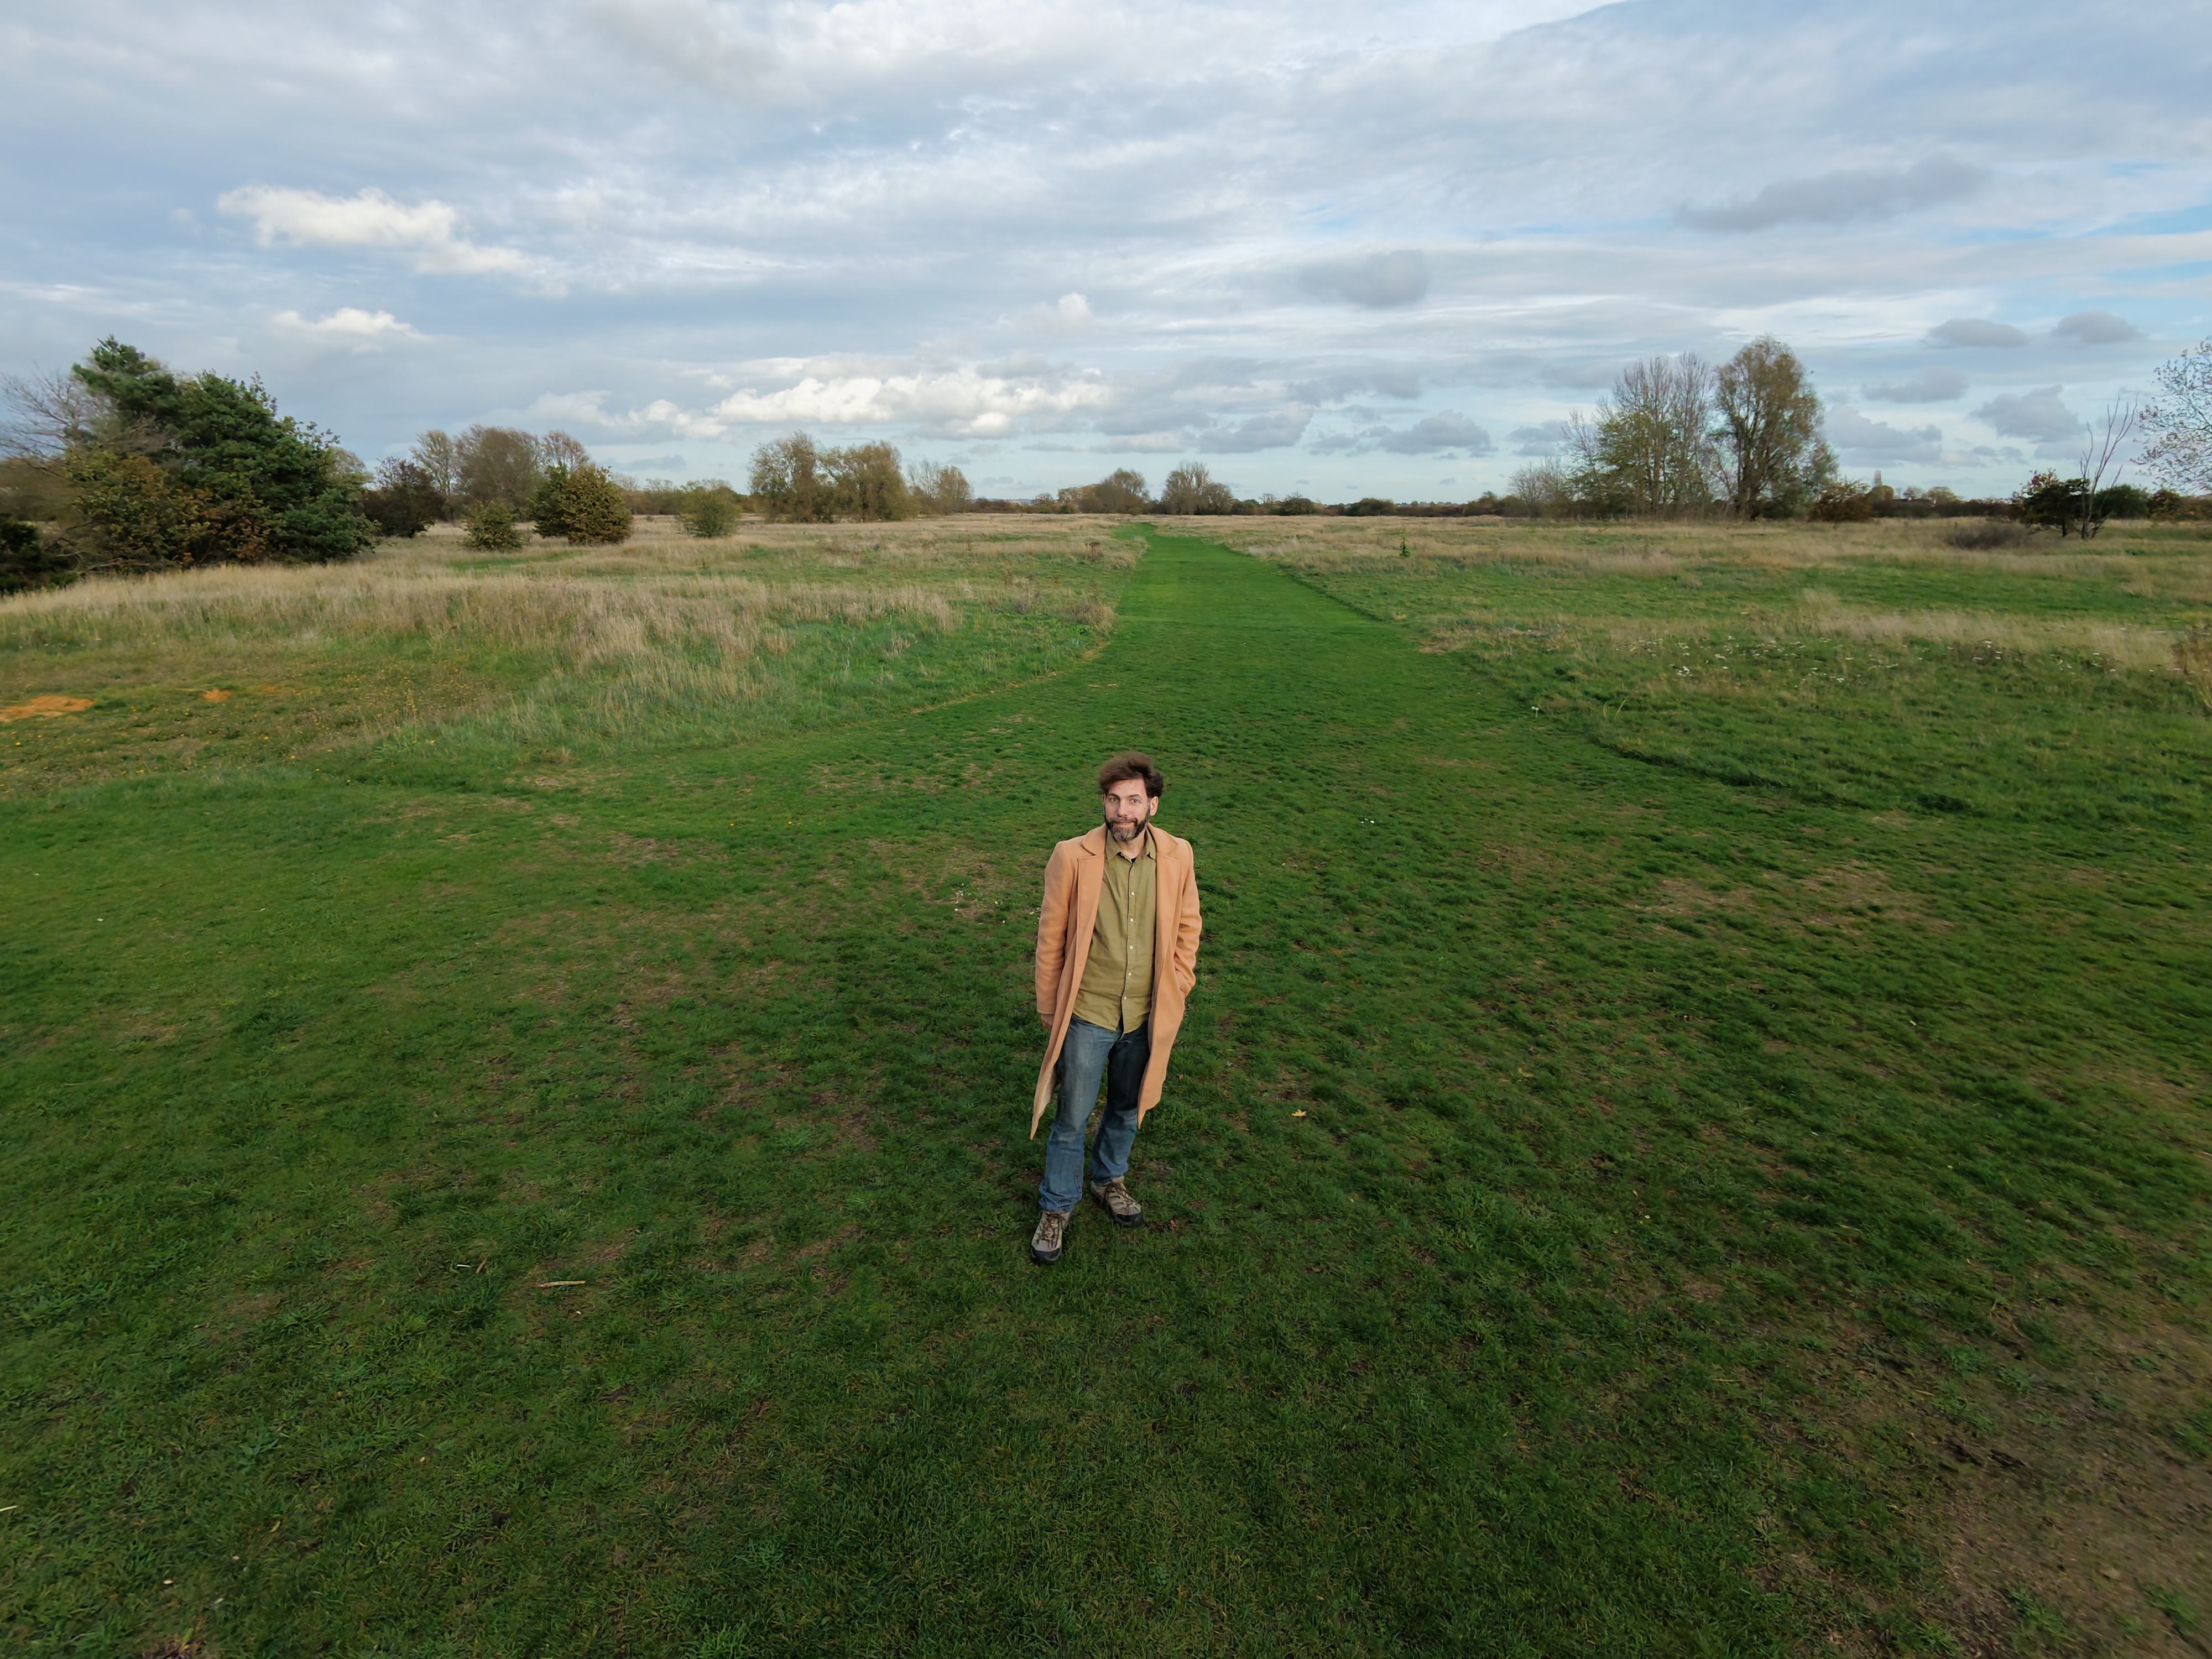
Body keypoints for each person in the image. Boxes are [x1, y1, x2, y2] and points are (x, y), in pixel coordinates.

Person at [1028, 751, 1203, 1265]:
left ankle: (1109, 1180)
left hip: (1148, 1014)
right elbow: (1050, 939)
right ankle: (1057, 1207)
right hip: (1089, 1013)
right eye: (1113, 800)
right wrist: (1048, 1008)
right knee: (1072, 1117)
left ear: (1153, 805)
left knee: (1127, 1109)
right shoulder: (1071, 856)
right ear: (1103, 804)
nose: (1122, 811)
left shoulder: (1178, 855)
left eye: (1132, 801)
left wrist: (1180, 983)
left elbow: (1189, 927)